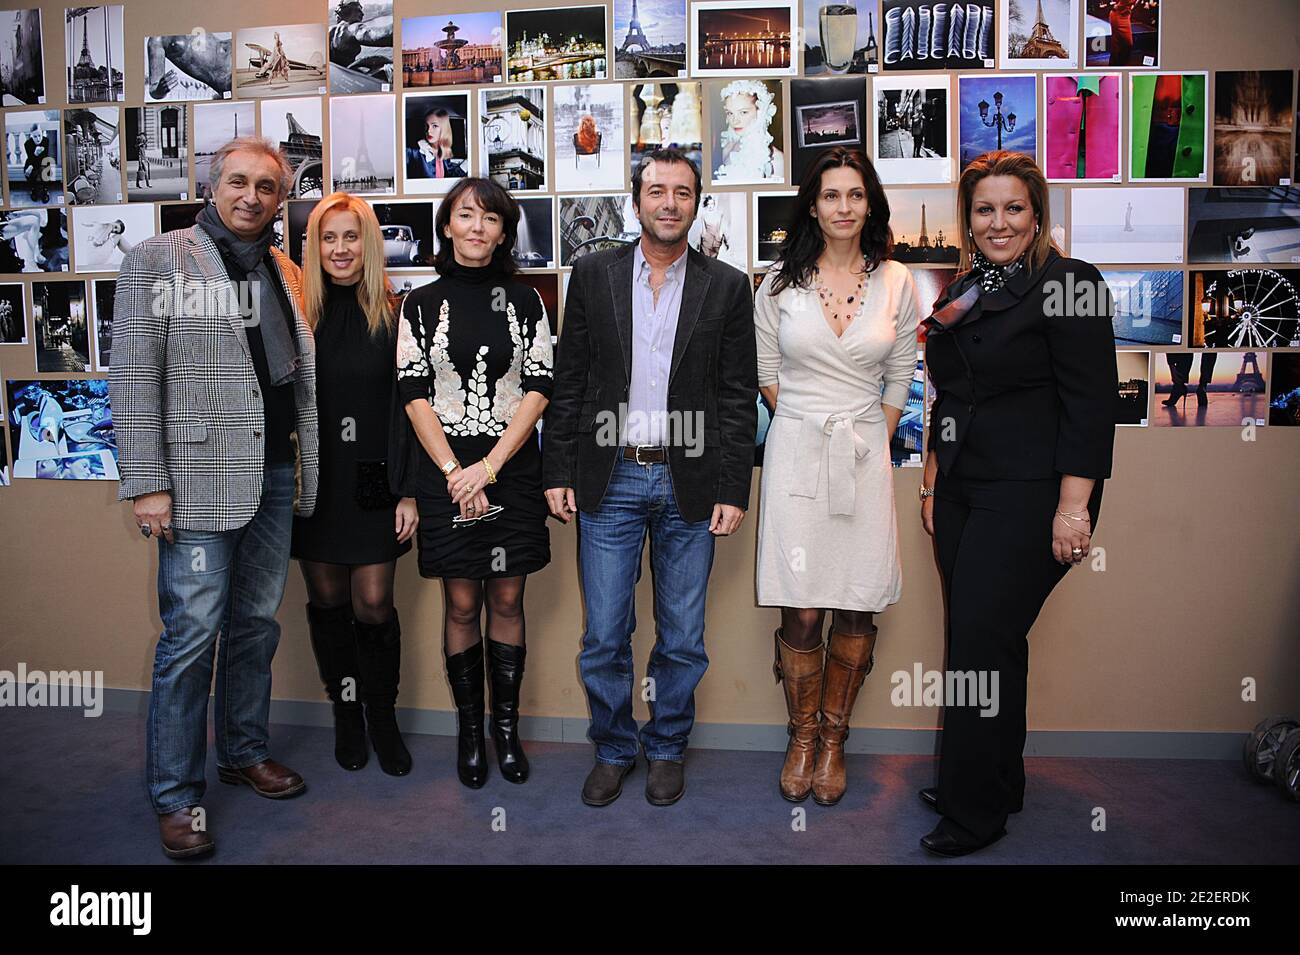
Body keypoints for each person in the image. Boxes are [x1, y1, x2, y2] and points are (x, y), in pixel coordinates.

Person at [109, 136, 320, 859]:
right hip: (195, 486)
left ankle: (243, 750)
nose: (252, 196)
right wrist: (147, 484)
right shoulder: (157, 260)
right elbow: (134, 378)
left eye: (267, 186)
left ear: (279, 197)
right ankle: (176, 795)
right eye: (239, 181)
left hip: (272, 478)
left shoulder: (282, 270)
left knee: (256, 626)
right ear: (213, 183)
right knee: (192, 636)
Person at [544, 147, 758, 807]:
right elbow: (571, 379)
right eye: (657, 190)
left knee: (683, 637)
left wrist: (732, 486)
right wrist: (558, 467)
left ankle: (666, 746)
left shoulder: (726, 285)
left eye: (683, 192)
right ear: (637, 199)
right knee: (605, 633)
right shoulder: (592, 274)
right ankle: (614, 747)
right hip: (610, 481)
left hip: (689, 485)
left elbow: (735, 393)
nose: (669, 202)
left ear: (697, 203)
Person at [919, 150, 1117, 856]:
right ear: (967, 219)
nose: (998, 222)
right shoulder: (968, 287)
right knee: (987, 640)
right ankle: (995, 779)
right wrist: (934, 480)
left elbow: (1092, 405)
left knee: (979, 641)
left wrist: (1073, 508)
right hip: (967, 489)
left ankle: (973, 813)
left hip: (1035, 494)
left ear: (1037, 215)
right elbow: (950, 395)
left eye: (1013, 208)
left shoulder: (1072, 283)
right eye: (984, 209)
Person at [754, 146, 919, 806]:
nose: (844, 206)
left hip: (862, 454)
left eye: (855, 194)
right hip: (797, 450)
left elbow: (902, 372)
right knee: (802, 604)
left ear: (870, 202)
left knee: (856, 598)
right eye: (831, 195)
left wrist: (869, 437)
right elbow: (766, 371)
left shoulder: (898, 281)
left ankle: (834, 738)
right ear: (813, 205)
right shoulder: (778, 283)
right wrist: (802, 422)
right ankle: (800, 734)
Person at [396, 177, 553, 787]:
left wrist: (488, 468)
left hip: (509, 471)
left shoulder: (528, 299)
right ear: (447, 226)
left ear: (504, 232)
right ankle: (469, 733)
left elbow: (539, 387)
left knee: (508, 599)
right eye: (466, 215)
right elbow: (412, 393)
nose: (478, 228)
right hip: (444, 472)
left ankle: (505, 733)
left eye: (491, 218)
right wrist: (455, 474)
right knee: (461, 602)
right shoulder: (418, 303)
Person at [291, 192, 419, 777]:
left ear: (368, 245)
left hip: (376, 479)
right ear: (314, 246)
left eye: (351, 237)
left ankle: (382, 716)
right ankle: (347, 714)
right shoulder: (297, 316)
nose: (339, 249)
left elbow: (413, 410)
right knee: (329, 603)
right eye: (328, 237)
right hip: (316, 482)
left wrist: (410, 490)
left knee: (373, 604)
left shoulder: (397, 315)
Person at [714, 80, 784, 183]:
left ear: (760, 111)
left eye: (743, 112)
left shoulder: (777, 160)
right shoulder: (727, 147)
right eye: (730, 113)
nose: (735, 121)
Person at [406, 106, 466, 181]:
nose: (428, 131)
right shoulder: (413, 151)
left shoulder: (442, 152)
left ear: (444, 129)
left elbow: (450, 176)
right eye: (427, 126)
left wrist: (467, 163)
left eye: (434, 126)